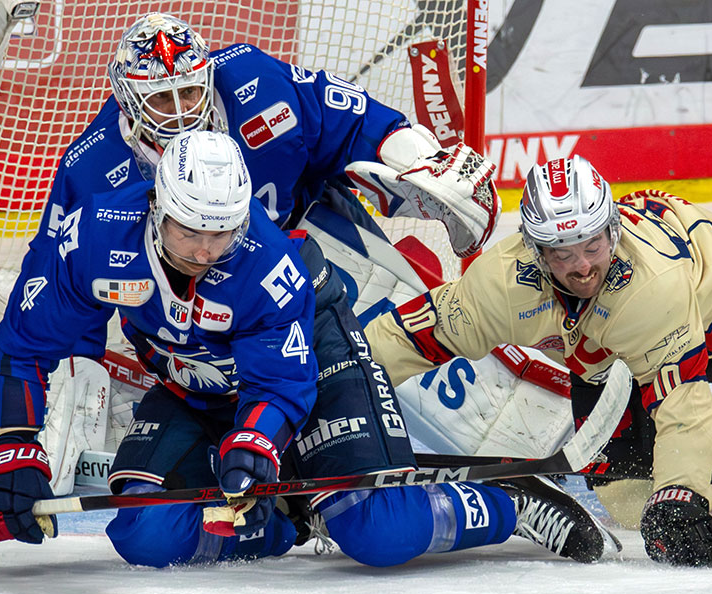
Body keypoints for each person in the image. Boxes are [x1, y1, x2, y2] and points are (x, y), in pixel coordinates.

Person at [0, 131, 608, 567]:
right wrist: (10, 446)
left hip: (316, 366)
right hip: (195, 387)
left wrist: (256, 442)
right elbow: (24, 344)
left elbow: (281, 385)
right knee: (145, 533)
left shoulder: (266, 262)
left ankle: (507, 501)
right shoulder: (90, 238)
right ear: (157, 204)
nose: (203, 249)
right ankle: (298, 515)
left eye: (221, 231)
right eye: (190, 228)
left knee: (376, 533)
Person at [366, 155, 712, 568]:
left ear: (612, 230)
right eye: (561, 253)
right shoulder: (500, 285)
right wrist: (331, 384)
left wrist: (682, 495)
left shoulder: (652, 288)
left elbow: (681, 407)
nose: (582, 267)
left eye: (592, 245)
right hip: (608, 356)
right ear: (534, 247)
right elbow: (409, 338)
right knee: (632, 503)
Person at [35, 12, 499, 358]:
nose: (180, 111)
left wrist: (416, 158)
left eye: (191, 91)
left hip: (305, 241)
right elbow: (55, 279)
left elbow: (346, 118)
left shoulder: (254, 79)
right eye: (160, 99)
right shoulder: (89, 168)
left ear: (208, 77)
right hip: (182, 312)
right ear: (127, 99)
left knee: (400, 345)